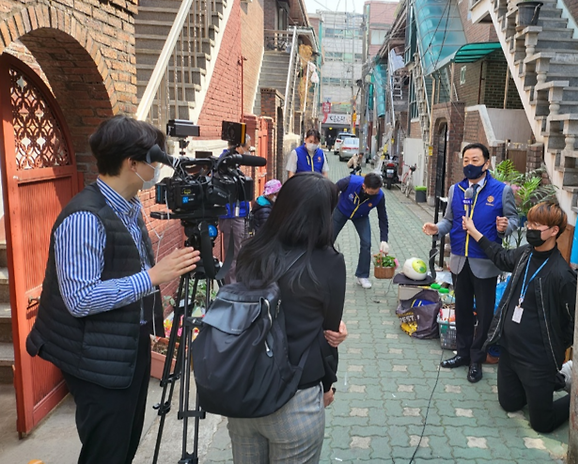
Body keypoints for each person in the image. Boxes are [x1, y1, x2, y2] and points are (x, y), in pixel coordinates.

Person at [25, 115, 201, 464]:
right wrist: (152, 277)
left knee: (125, 443)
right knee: (106, 451)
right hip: (93, 357)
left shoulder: (129, 206)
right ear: (131, 164)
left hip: (124, 344)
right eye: (154, 161)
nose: (157, 169)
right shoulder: (84, 218)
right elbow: (80, 298)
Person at [228, 172, 347, 463]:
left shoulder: (251, 251)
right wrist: (328, 383)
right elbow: (329, 334)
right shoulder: (329, 261)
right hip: (297, 395)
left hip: (244, 393)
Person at [462, 201, 576, 433]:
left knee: (542, 425)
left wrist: (555, 349)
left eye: (537, 225)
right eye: (530, 223)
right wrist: (474, 232)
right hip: (511, 353)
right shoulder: (525, 254)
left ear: (554, 231)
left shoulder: (561, 275)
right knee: (509, 403)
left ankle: (576, 395)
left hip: (537, 360)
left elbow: (572, 323)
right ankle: (543, 387)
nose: (531, 229)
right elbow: (501, 257)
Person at [422, 142, 518, 383]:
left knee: (484, 315)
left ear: (486, 163)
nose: (470, 165)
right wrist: (436, 228)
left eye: (475, 160)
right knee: (462, 310)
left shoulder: (501, 190)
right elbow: (449, 221)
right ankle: (462, 353)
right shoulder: (456, 189)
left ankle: (477, 359)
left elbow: (515, 220)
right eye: (466, 160)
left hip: (485, 261)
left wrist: (506, 226)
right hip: (458, 261)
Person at [333, 172, 389, 289]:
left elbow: (382, 217)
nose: (375, 195)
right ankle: (321, 270)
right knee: (327, 239)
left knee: (366, 242)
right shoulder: (350, 182)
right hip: (341, 210)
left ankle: (362, 275)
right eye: (372, 192)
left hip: (361, 216)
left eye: (377, 191)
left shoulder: (379, 196)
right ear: (364, 186)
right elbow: (332, 190)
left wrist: (384, 239)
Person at [218, 134, 252, 284]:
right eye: (247, 148)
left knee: (239, 255)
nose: (248, 152)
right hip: (232, 217)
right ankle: (232, 289)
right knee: (233, 256)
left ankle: (237, 284)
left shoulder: (232, 166)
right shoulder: (224, 165)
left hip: (239, 216)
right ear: (238, 147)